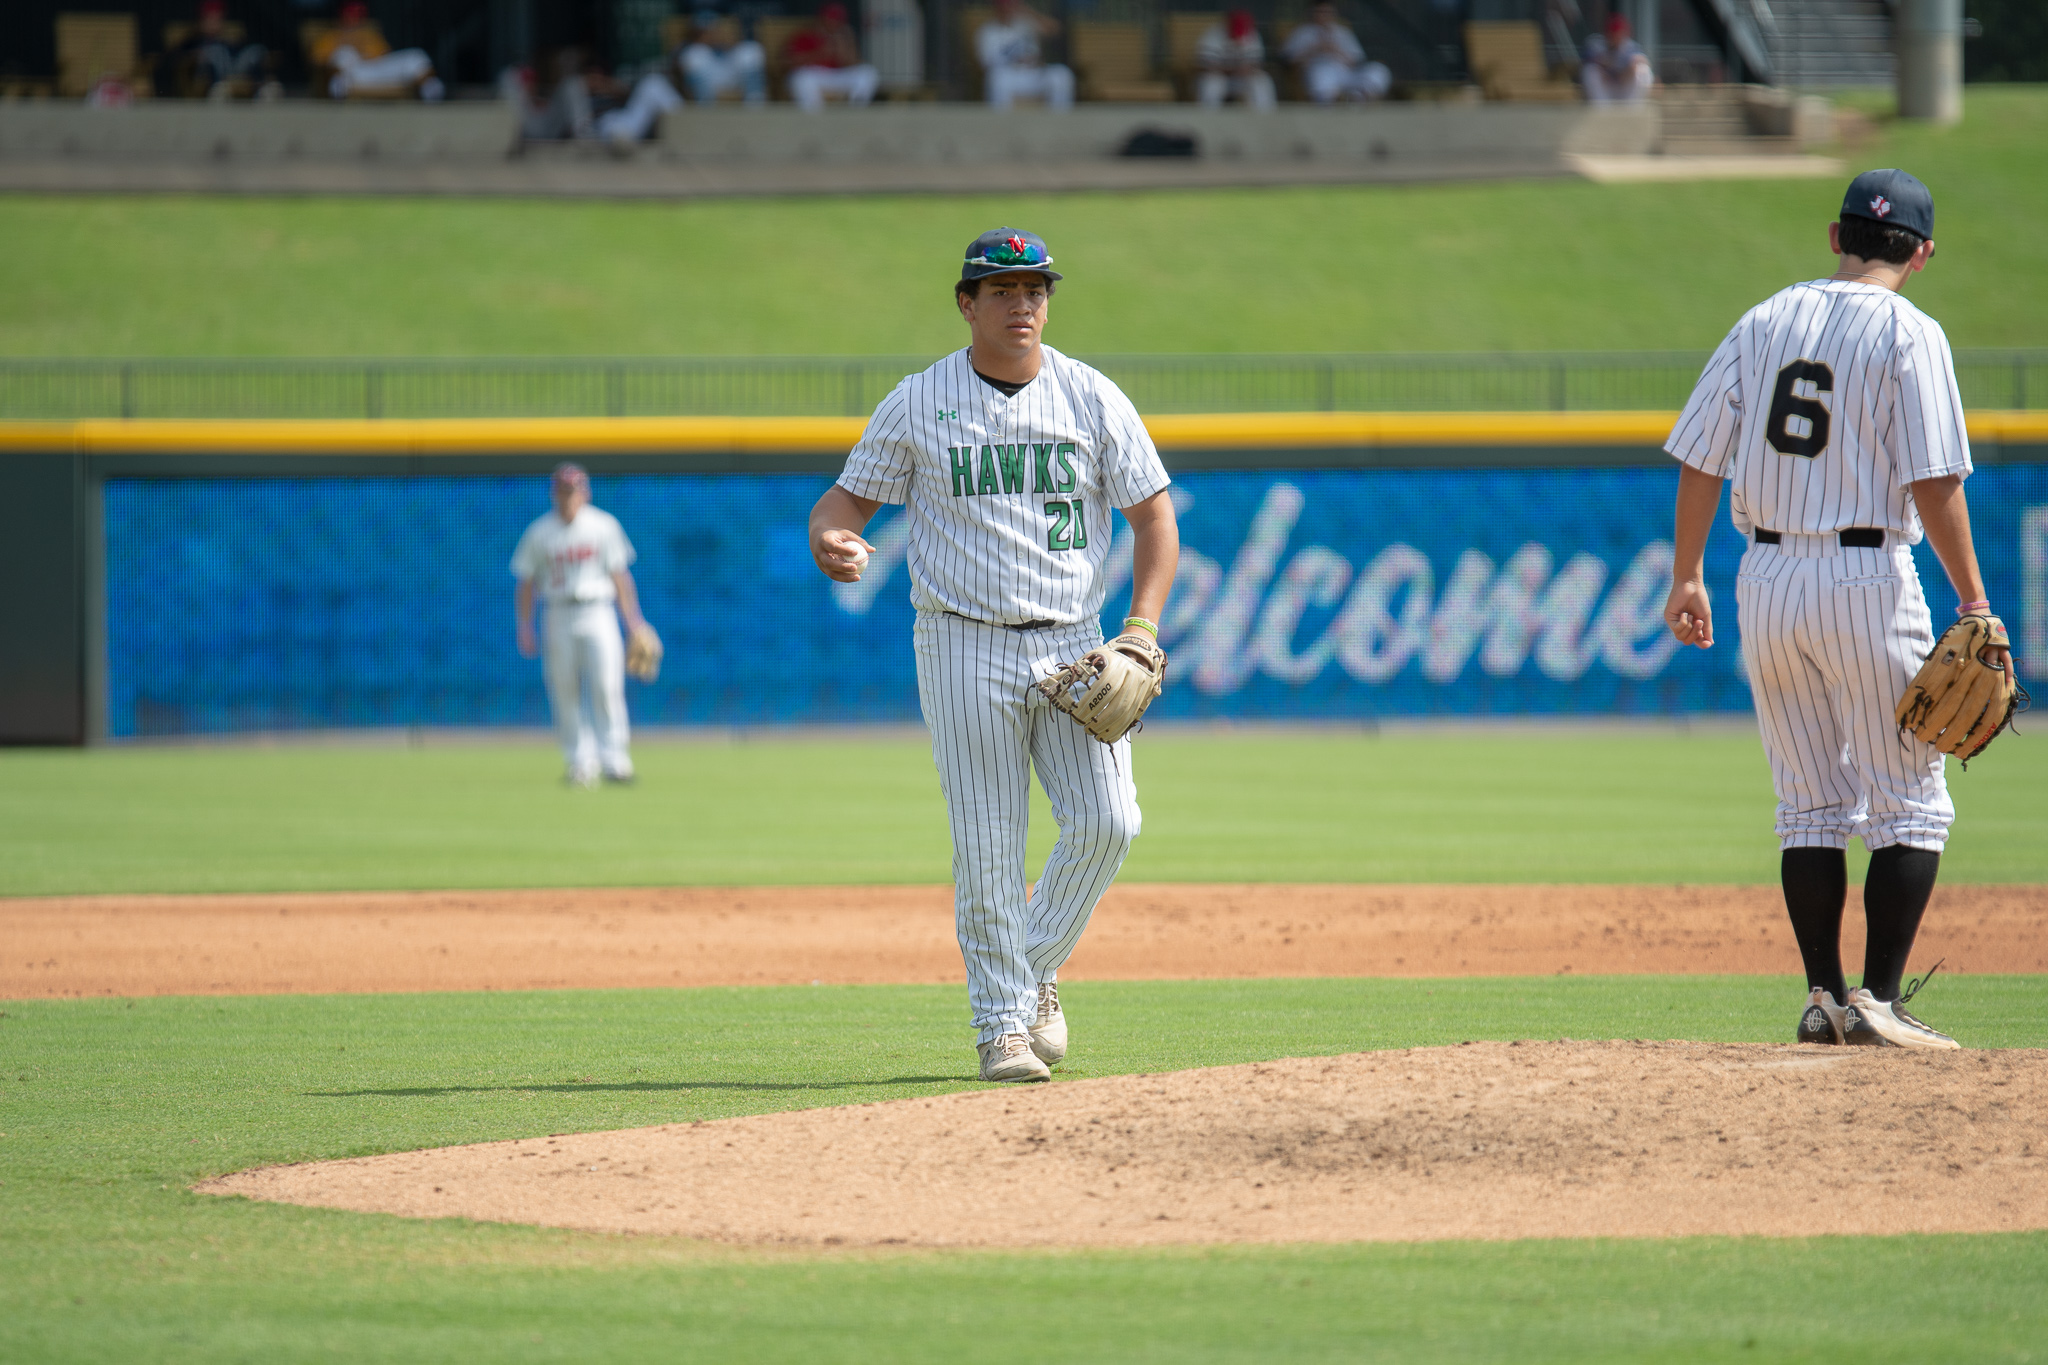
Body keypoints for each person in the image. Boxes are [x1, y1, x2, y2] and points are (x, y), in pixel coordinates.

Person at [807, 229, 1180, 1083]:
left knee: (1109, 821)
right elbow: (845, 502)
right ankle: (1001, 1028)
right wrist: (832, 537)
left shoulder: (1091, 396)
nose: (1022, 304)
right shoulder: (920, 399)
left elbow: (1155, 519)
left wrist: (1142, 628)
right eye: (1002, 289)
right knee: (987, 842)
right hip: (961, 638)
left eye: (1035, 289)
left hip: (1072, 638)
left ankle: (1030, 969)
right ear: (967, 303)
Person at [1662, 170, 2007, 1051]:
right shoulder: (1910, 332)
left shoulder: (1764, 319)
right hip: (1866, 578)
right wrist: (1973, 597)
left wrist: (1688, 573)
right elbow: (1934, 480)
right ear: (1922, 253)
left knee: (1809, 803)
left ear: (1835, 236)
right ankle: (1880, 1001)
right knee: (1912, 803)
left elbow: (1701, 453)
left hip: (1766, 579)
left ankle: (1823, 996)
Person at [512, 464, 650, 788]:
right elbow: (526, 582)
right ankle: (579, 762)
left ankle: (616, 760)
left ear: (584, 492)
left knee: (606, 685)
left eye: (572, 491)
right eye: (562, 491)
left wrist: (634, 622)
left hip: (597, 610)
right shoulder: (540, 532)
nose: (567, 498)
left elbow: (620, 578)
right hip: (557, 611)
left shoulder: (603, 525)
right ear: (553, 494)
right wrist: (525, 625)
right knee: (564, 689)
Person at [314, 1, 444, 101]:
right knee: (343, 54)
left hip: (378, 71)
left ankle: (431, 90)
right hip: (354, 75)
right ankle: (338, 93)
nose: (354, 20)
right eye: (350, 15)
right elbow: (319, 60)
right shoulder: (331, 36)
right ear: (342, 17)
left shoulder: (369, 33)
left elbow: (385, 54)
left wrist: (364, 48)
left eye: (357, 16)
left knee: (416, 55)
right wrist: (347, 46)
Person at [164, 1, 278, 101]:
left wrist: (231, 44)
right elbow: (178, 55)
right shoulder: (193, 39)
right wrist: (196, 55)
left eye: (217, 19)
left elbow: (239, 54)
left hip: (233, 68)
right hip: (209, 72)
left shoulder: (226, 40)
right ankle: (217, 86)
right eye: (210, 19)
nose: (214, 23)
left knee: (256, 50)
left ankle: (262, 87)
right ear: (202, 20)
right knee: (214, 51)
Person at [1281, 2, 1390, 104]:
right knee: (1321, 72)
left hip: (1346, 73)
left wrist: (1336, 50)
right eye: (1320, 12)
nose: (1324, 16)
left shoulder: (1343, 32)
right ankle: (1335, 100)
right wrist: (1314, 50)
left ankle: (1358, 97)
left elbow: (1357, 62)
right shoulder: (1302, 32)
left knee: (1379, 69)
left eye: (1327, 12)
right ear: (1312, 13)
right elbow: (1288, 61)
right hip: (1320, 74)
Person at [976, 0, 1074, 110]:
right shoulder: (988, 31)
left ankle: (1060, 122)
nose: (1008, 9)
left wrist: (1029, 12)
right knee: (997, 78)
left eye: (1011, 6)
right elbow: (986, 64)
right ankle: (1000, 124)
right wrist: (1016, 60)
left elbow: (1054, 29)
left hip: (1034, 74)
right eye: (1004, 7)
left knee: (1061, 74)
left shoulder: (1025, 24)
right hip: (1011, 76)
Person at [785, 2, 879, 112]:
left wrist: (844, 48)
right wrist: (819, 53)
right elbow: (789, 63)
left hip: (838, 76)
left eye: (837, 20)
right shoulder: (807, 34)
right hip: (815, 75)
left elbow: (853, 63)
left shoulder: (844, 36)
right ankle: (813, 115)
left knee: (868, 72)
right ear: (821, 19)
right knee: (800, 78)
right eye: (830, 19)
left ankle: (855, 111)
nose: (833, 23)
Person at [1195, 9, 1275, 110]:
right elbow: (1203, 65)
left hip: (1242, 79)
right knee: (1211, 85)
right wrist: (1230, 69)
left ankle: (1264, 119)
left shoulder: (1251, 34)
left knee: (1262, 81)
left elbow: (1257, 62)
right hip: (1220, 78)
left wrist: (1248, 69)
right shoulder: (1213, 35)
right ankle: (1209, 120)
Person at [682, 13, 767, 105]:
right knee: (694, 54)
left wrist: (729, 44)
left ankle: (755, 105)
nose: (715, 33)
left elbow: (738, 47)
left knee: (750, 49)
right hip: (711, 80)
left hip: (736, 76)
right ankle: (705, 107)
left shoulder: (742, 48)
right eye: (707, 31)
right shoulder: (694, 50)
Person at [1581, 12, 1653, 104]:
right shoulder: (1596, 44)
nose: (1616, 36)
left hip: (1623, 89)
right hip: (1606, 89)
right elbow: (1585, 60)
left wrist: (1629, 68)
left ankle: (1632, 111)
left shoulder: (1630, 47)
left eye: (1619, 33)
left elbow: (1644, 60)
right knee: (1590, 70)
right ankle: (1601, 111)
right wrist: (1603, 66)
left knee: (1643, 69)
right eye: (1613, 33)